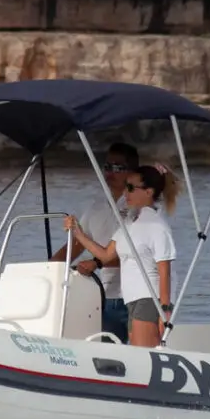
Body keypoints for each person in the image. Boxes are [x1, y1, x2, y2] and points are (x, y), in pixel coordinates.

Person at [64, 164, 178, 347]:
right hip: (131, 298)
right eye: (126, 186)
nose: (126, 192)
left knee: (143, 352)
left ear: (149, 192)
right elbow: (106, 255)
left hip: (150, 298)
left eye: (132, 188)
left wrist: (164, 312)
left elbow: (165, 271)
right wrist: (78, 233)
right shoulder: (130, 223)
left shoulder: (157, 226)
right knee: (136, 350)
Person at [52, 142, 141, 341]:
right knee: (108, 355)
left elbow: (139, 254)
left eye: (118, 167)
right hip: (104, 298)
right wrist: (49, 267)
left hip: (136, 295)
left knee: (139, 355)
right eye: (107, 166)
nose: (110, 172)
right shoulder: (95, 207)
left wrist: (96, 263)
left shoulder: (139, 207)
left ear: (133, 171)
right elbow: (75, 246)